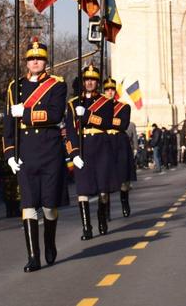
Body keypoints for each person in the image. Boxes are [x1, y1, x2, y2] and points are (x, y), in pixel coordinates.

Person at [4, 42, 68, 272]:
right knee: (29, 204)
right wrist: (10, 153)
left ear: (45, 61)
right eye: (31, 59)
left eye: (39, 58)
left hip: (49, 150)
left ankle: (49, 241)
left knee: (49, 206)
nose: (35, 62)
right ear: (26, 62)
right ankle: (34, 256)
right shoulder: (15, 86)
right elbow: (8, 124)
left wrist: (27, 113)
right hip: (26, 151)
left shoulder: (57, 85)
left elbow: (55, 113)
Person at [65, 65, 117, 240]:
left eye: (93, 79)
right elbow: (70, 131)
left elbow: (107, 122)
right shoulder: (73, 104)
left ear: (97, 82)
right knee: (82, 190)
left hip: (101, 147)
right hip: (82, 147)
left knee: (103, 189)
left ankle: (102, 218)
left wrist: (86, 115)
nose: (89, 82)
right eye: (87, 79)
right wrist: (74, 153)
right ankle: (86, 227)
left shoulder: (106, 102)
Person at [102, 77, 136, 218]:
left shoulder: (124, 107)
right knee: (106, 179)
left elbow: (123, 124)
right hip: (104, 142)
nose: (109, 92)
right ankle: (106, 210)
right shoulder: (98, 106)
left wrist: (105, 121)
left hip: (120, 142)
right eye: (107, 90)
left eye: (112, 90)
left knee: (123, 179)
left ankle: (124, 202)